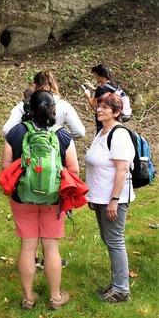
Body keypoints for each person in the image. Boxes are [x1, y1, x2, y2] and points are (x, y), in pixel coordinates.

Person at [2, 90, 78, 311]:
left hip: (22, 199)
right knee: (51, 248)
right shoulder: (63, 135)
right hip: (53, 201)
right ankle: (55, 297)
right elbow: (73, 169)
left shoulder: (15, 133)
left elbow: (6, 169)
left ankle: (28, 298)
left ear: (30, 109)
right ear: (53, 109)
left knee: (28, 247)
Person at [85, 92, 135, 303]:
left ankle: (122, 290)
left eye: (105, 107)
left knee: (114, 240)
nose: (99, 109)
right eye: (98, 106)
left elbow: (122, 170)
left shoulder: (119, 134)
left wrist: (114, 199)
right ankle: (117, 283)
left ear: (116, 111)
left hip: (114, 198)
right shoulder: (102, 133)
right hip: (100, 197)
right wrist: (92, 196)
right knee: (109, 239)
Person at [3, 71, 85, 140]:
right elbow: (79, 132)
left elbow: (7, 130)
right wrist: (59, 140)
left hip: (29, 154)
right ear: (54, 85)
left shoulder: (24, 105)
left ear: (34, 86)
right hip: (55, 155)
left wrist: (25, 139)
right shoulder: (64, 105)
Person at [83, 64, 123, 133]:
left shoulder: (101, 89)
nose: (95, 77)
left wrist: (88, 96)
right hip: (115, 120)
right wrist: (93, 88)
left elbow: (94, 107)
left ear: (100, 75)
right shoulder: (115, 85)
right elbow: (106, 93)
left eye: (96, 75)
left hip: (103, 121)